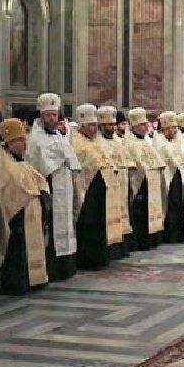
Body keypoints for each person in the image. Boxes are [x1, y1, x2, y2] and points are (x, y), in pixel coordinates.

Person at [25, 93, 81, 281]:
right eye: (48, 115)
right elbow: (39, 162)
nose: (52, 118)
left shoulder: (58, 136)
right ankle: (52, 269)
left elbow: (70, 158)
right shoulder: (35, 138)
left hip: (64, 186)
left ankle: (67, 265)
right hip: (49, 188)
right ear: (41, 116)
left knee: (65, 224)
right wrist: (61, 157)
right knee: (51, 228)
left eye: (54, 114)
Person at [0, 118, 49, 295]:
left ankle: (35, 280)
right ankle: (17, 283)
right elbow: (7, 193)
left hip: (31, 213)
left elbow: (39, 181)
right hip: (17, 218)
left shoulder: (21, 162)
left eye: (24, 139)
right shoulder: (4, 165)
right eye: (20, 140)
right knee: (17, 253)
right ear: (9, 143)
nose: (24, 144)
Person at [70, 104, 123, 269]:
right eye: (92, 125)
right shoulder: (76, 142)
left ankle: (100, 257)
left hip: (101, 189)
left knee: (99, 224)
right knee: (88, 225)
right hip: (87, 190)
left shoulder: (95, 141)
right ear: (82, 126)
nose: (94, 129)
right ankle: (88, 260)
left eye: (95, 125)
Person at [121, 108, 167, 251]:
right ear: (133, 126)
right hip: (139, 185)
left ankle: (152, 239)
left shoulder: (146, 141)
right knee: (140, 215)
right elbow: (136, 164)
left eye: (146, 124)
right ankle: (140, 242)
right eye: (142, 124)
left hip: (150, 184)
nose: (146, 127)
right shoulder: (128, 143)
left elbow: (156, 160)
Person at [153, 112, 184, 243]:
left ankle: (181, 233)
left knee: (180, 203)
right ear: (164, 129)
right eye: (170, 128)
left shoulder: (179, 140)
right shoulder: (158, 141)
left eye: (175, 127)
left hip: (180, 176)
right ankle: (171, 235)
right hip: (168, 177)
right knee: (171, 205)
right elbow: (167, 157)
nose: (173, 131)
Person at [97, 105, 134, 254]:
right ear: (101, 126)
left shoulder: (119, 141)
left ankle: (120, 247)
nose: (112, 128)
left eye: (113, 124)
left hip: (122, 183)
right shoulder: (98, 143)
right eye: (108, 125)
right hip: (108, 186)